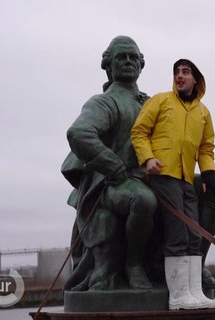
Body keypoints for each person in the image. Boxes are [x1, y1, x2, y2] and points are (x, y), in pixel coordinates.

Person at [61, 35, 157, 291]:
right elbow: (79, 133)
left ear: (141, 63)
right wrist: (113, 166)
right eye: (121, 57)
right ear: (108, 65)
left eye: (133, 57)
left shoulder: (152, 103)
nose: (128, 62)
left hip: (152, 177)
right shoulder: (104, 102)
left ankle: (192, 269)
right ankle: (133, 265)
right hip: (111, 185)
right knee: (143, 200)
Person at [131, 59, 215, 309]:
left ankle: (194, 294)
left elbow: (205, 147)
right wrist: (148, 158)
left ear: (196, 79)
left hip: (185, 177)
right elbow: (139, 131)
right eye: (176, 72)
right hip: (163, 173)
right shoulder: (161, 100)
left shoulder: (203, 112)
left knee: (194, 233)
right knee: (178, 232)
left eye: (185, 72)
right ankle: (178, 297)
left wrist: (209, 173)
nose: (180, 76)